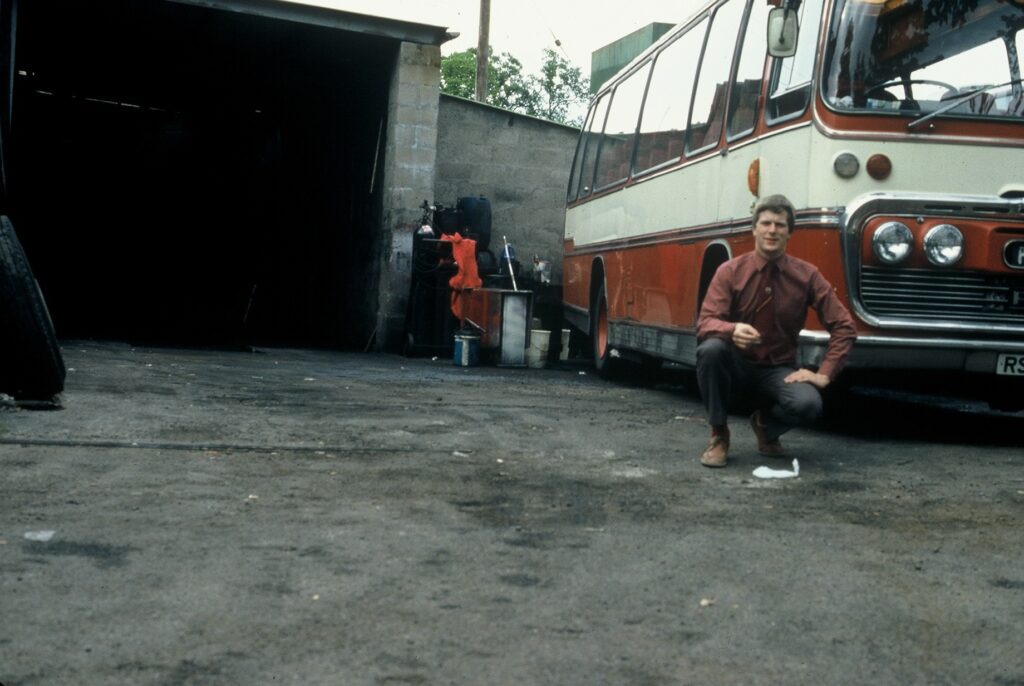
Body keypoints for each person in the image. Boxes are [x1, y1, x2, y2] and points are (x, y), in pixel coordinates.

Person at [695, 194, 857, 468]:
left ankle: (765, 426)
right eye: (766, 223)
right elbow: (705, 323)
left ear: (790, 232)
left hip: (778, 371)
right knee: (710, 350)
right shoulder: (730, 271)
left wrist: (824, 375)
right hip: (736, 368)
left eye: (780, 225)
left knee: (809, 405)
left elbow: (844, 326)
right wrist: (732, 329)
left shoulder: (807, 275)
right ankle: (719, 434)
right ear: (754, 228)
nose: (772, 230)